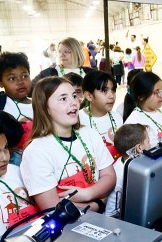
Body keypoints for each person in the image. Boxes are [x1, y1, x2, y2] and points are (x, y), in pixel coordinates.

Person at [20, 76, 116, 214]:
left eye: (74, 96)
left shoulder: (89, 133)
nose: (74, 103)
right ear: (45, 107)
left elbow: (109, 177)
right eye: (63, 99)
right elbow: (53, 208)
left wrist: (87, 194)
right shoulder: (36, 152)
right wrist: (98, 203)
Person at [105, 123, 150, 217]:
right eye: (148, 142)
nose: (150, 145)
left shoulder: (136, 164)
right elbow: (110, 213)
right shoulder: (119, 176)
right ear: (139, 148)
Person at [124, 71, 162, 148]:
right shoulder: (133, 124)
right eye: (156, 92)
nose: (161, 95)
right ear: (141, 97)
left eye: (161, 90)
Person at [79, 70, 123, 160]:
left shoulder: (117, 117)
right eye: (104, 91)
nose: (111, 96)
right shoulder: (78, 120)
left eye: (113, 90)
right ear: (89, 96)